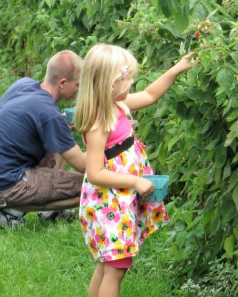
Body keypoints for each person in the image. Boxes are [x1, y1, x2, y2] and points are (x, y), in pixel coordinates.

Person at [75, 44, 197, 297]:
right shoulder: (99, 123)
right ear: (109, 84)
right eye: (127, 77)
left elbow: (151, 94)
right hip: (108, 203)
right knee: (116, 269)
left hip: (115, 200)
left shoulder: (116, 105)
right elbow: (95, 172)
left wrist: (178, 68)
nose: (131, 81)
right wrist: (134, 181)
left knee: (106, 264)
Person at [0, 50, 86, 229]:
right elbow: (86, 167)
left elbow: (40, 120)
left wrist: (64, 123)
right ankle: (12, 210)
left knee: (61, 132)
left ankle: (50, 212)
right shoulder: (48, 113)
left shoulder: (24, 84)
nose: (79, 90)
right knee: (91, 187)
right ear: (63, 83)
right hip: (3, 186)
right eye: (78, 85)